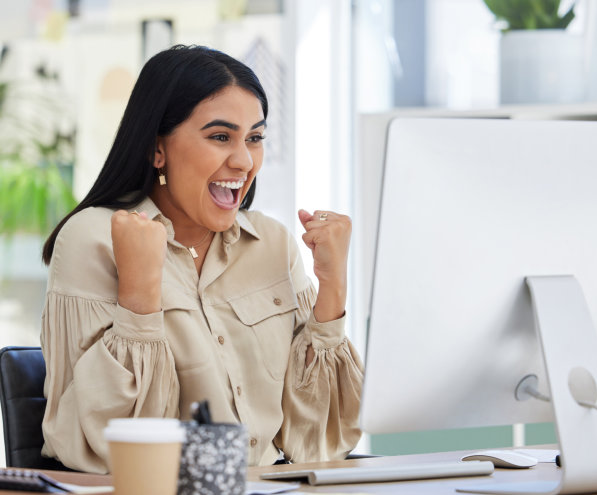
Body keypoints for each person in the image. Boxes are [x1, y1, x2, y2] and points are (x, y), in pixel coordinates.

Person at [40, 44, 363, 473]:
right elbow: (105, 449)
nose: (244, 161)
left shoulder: (273, 243)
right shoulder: (94, 239)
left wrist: (333, 285)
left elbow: (317, 441)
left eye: (254, 138)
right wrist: (139, 294)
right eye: (219, 137)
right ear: (158, 149)